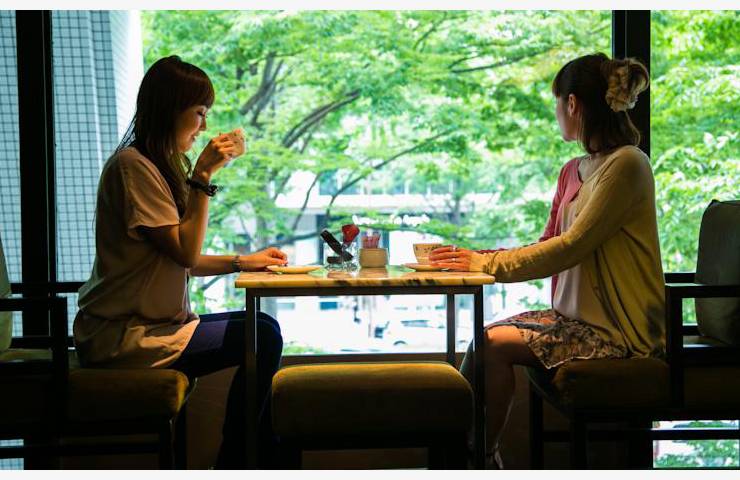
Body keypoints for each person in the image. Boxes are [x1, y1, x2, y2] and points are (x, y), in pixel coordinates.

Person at [429, 53, 663, 468]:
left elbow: (571, 246)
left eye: (558, 102)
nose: (556, 112)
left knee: (491, 346)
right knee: (484, 340)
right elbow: (548, 243)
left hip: (617, 334)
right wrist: (477, 257)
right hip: (574, 321)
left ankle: (478, 459)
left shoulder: (627, 165)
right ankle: (461, 451)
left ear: (572, 104)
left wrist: (486, 265)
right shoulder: (573, 170)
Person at [73, 55, 288, 468]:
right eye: (200, 113)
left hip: (149, 326)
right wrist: (202, 177)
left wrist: (242, 261)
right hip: (126, 336)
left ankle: (246, 457)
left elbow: (177, 257)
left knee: (264, 327)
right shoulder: (132, 167)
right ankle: (241, 461)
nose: (204, 126)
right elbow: (185, 253)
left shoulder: (152, 166)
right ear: (171, 110)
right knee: (261, 336)